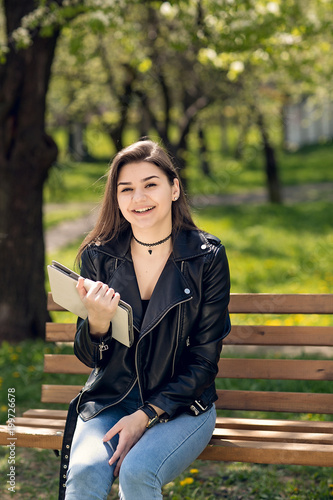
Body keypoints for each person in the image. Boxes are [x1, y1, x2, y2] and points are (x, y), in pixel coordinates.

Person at [59, 139, 231, 500]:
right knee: (85, 472)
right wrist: (97, 323)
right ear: (117, 198)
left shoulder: (207, 257)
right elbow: (91, 358)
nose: (138, 198)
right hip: (111, 399)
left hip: (182, 405)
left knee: (139, 472)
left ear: (174, 188)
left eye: (150, 184)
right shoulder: (99, 256)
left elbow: (204, 361)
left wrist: (146, 415)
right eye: (127, 189)